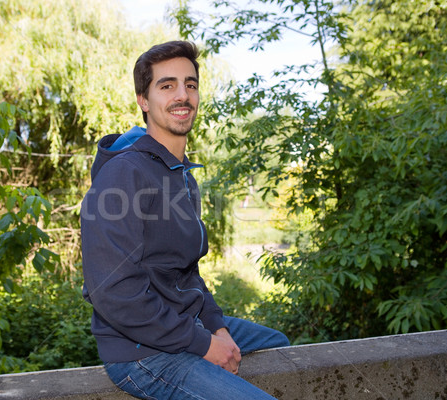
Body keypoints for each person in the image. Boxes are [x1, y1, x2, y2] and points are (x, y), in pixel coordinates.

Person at [80, 40, 290, 400]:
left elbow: (186, 272)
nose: (183, 95)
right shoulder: (122, 175)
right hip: (141, 352)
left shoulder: (181, 176)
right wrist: (202, 343)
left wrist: (216, 327)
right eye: (167, 86)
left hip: (182, 323)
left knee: (279, 345)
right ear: (143, 101)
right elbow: (113, 293)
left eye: (190, 84)